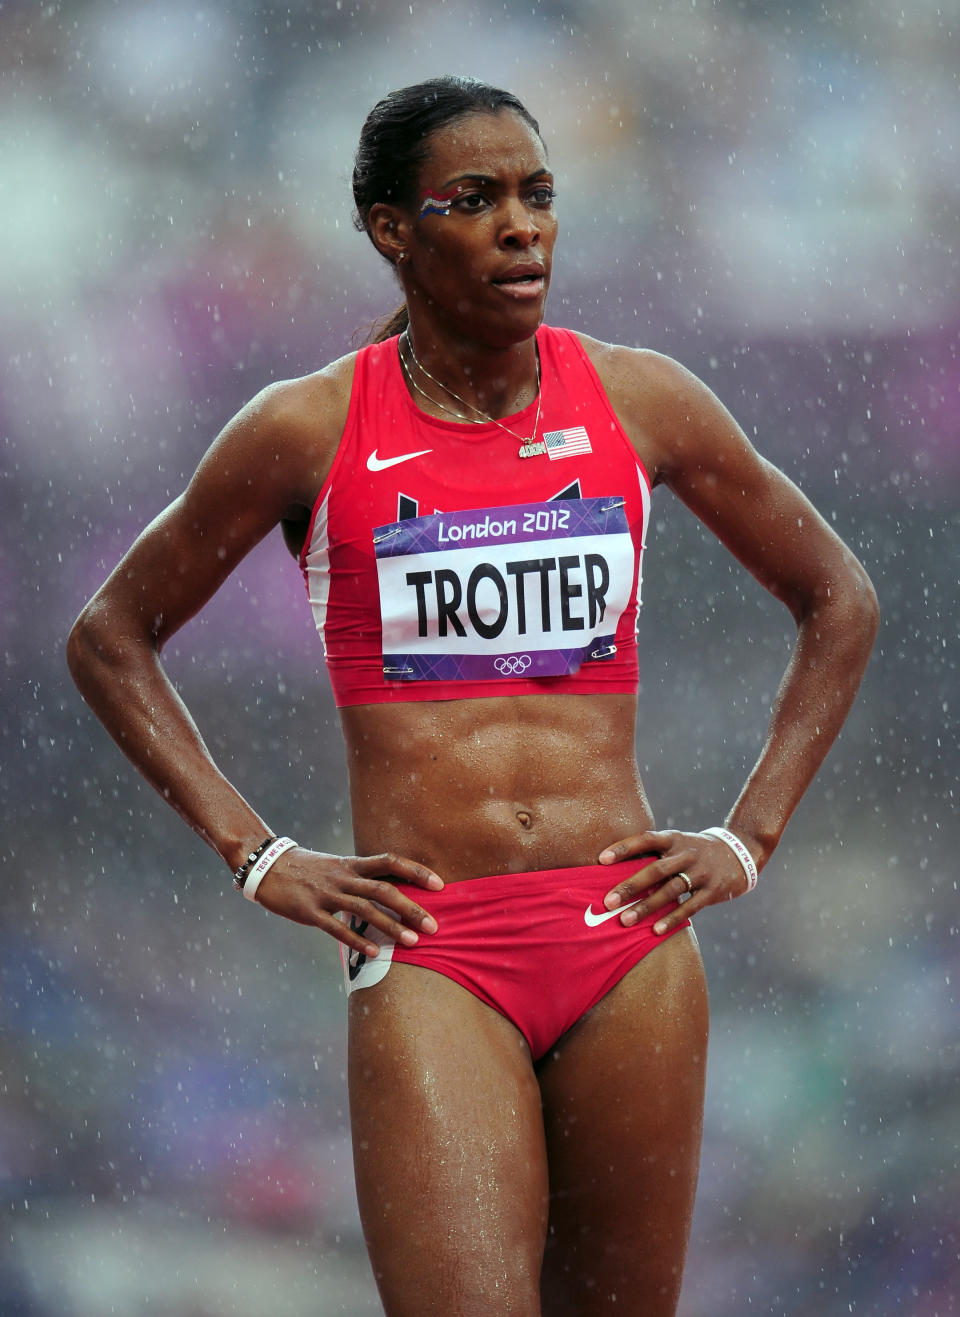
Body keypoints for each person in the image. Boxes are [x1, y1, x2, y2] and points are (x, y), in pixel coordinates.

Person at [67, 75, 878, 1317]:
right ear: (393, 230)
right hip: (438, 952)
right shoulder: (308, 426)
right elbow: (112, 637)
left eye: (540, 195)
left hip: (629, 942)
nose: (523, 227)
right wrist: (256, 854)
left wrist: (748, 834)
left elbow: (839, 597)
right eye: (477, 198)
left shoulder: (638, 399)